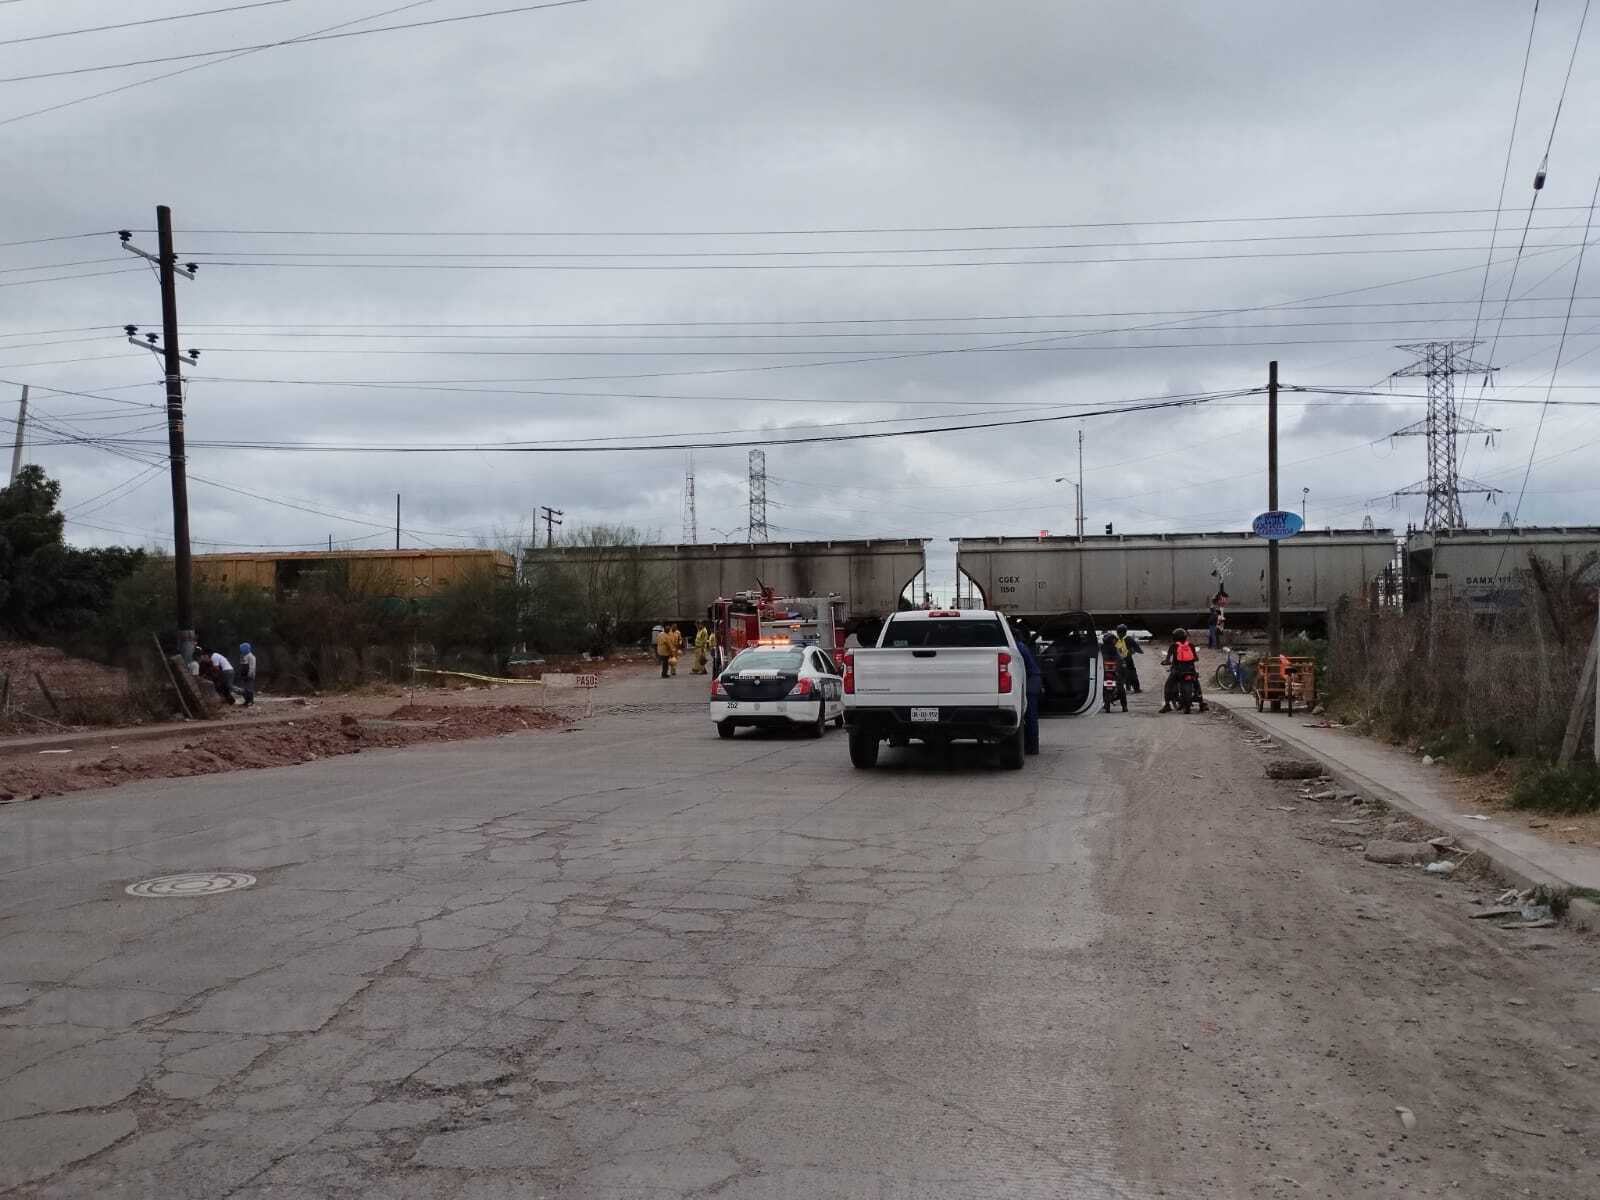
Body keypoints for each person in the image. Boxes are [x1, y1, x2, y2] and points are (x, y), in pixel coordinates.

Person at [1011, 622, 1043, 755]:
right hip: (1031, 680)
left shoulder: (1017, 647)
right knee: (1030, 716)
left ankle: (1032, 746)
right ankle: (1031, 745)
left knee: (1030, 716)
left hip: (1030, 681)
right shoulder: (1021, 646)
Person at [1160, 627, 1206, 714]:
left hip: (1177, 671)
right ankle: (1201, 703)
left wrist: (1165, 662)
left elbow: (1168, 660)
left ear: (1174, 638)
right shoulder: (1191, 645)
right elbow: (1196, 658)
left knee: (1168, 686)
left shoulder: (1173, 646)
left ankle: (1167, 705)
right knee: (1196, 684)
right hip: (1191, 670)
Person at [1100, 631, 1128, 713]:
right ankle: (1124, 706)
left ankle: (1107, 704)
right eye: (1113, 640)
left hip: (1107, 672)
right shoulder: (1114, 649)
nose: (1114, 641)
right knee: (1121, 688)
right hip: (1112, 672)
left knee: (1105, 688)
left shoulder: (1102, 648)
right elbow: (1121, 660)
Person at [1113, 624, 1142, 694]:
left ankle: (1124, 688)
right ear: (1125, 632)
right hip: (1128, 661)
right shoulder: (1129, 639)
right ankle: (1136, 689)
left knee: (1119, 675)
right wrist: (1133, 651)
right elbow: (1138, 649)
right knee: (1132, 674)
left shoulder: (1115, 640)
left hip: (1118, 662)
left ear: (1117, 632)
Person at [238, 642, 257, 708]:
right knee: (245, 689)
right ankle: (246, 701)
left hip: (249, 675)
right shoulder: (243, 656)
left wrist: (249, 674)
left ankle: (251, 701)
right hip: (244, 675)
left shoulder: (251, 656)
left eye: (242, 648)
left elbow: (252, 667)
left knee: (249, 688)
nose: (241, 650)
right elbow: (242, 666)